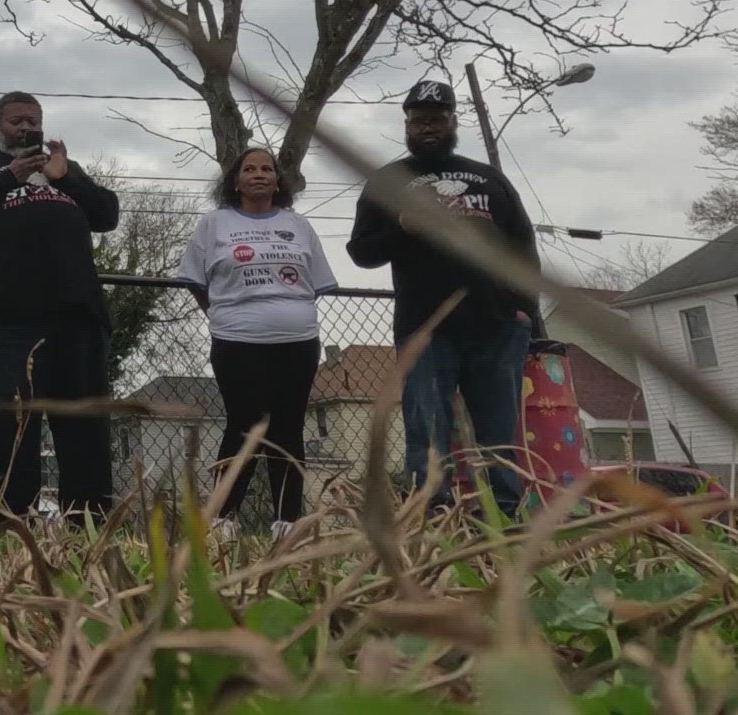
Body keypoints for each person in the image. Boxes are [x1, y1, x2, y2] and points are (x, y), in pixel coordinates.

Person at [347, 79, 541, 517]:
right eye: (418, 121)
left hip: (496, 325)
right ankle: (433, 511)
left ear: (453, 121)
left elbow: (523, 247)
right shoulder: (389, 181)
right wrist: (403, 226)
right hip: (425, 328)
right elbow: (361, 252)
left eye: (436, 119)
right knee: (427, 428)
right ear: (407, 126)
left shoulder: (490, 179)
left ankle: (504, 514)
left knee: (498, 433)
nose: (427, 128)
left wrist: (527, 313)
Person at [0, 91, 121, 522]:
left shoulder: (66, 172)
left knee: (86, 428)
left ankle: (88, 527)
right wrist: (8, 176)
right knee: (10, 429)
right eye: (16, 120)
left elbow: (107, 215)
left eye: (32, 120)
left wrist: (65, 177)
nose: (25, 127)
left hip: (78, 318)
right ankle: (10, 525)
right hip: (7, 320)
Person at [178, 147, 338, 538]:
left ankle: (287, 522)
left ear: (278, 180)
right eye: (249, 168)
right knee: (245, 424)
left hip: (298, 342)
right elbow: (197, 283)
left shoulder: (298, 225)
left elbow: (312, 284)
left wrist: (282, 312)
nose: (259, 174)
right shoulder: (214, 225)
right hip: (236, 341)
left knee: (288, 428)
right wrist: (229, 313)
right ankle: (221, 519)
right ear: (235, 181)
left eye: (267, 168)